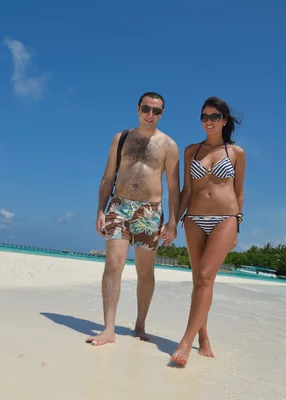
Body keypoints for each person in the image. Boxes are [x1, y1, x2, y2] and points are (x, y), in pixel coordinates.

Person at [86, 92, 181, 346]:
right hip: (119, 206)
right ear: (138, 109)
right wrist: (100, 209)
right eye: (146, 108)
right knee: (113, 265)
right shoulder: (121, 138)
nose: (150, 114)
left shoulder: (169, 145)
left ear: (162, 114)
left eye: (156, 111)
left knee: (145, 271)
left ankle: (140, 324)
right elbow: (108, 177)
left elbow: (174, 188)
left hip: (150, 212)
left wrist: (172, 222)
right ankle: (108, 329)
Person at [171, 96, 246, 366]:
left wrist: (237, 224)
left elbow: (238, 191)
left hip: (225, 218)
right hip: (193, 219)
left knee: (204, 276)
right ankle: (203, 336)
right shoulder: (191, 150)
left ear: (224, 120)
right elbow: (186, 190)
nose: (209, 122)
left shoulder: (236, 153)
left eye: (214, 117)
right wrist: (172, 222)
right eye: (204, 117)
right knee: (199, 282)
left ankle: (185, 342)